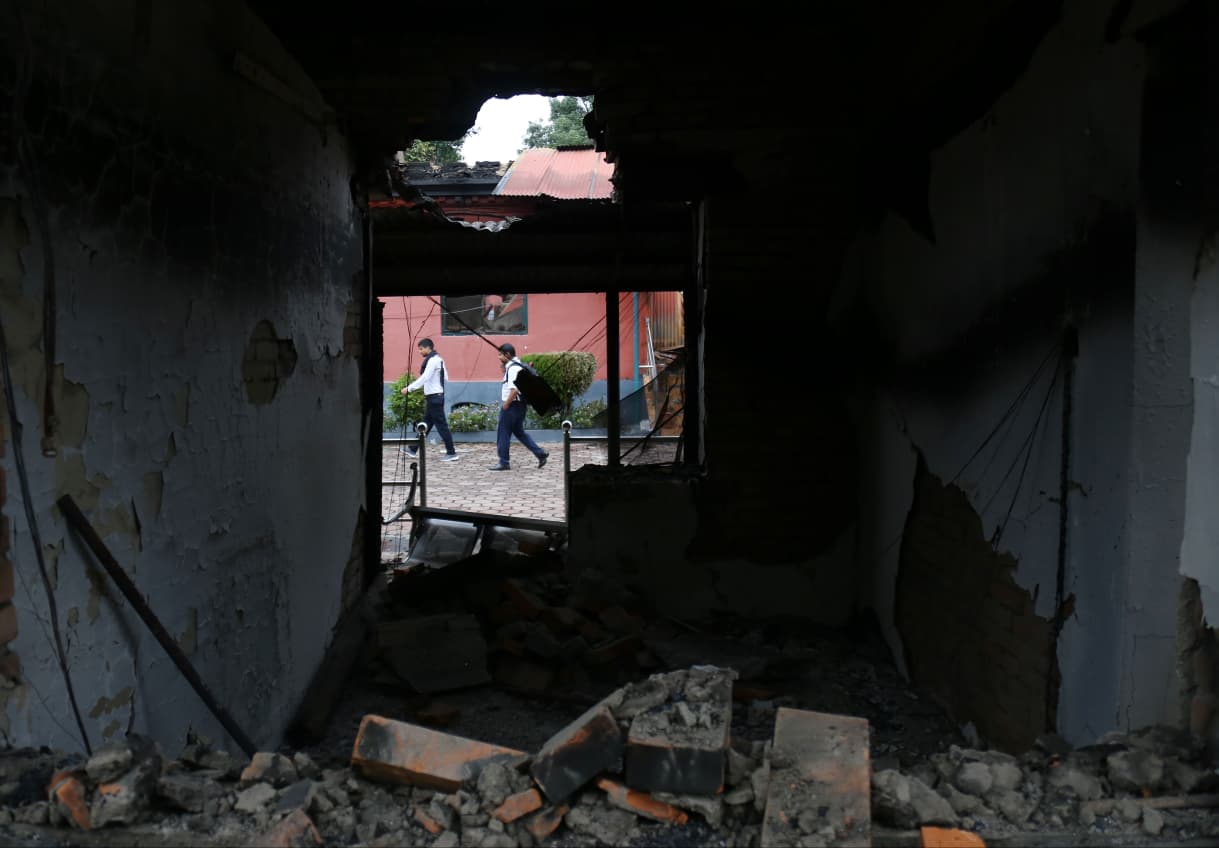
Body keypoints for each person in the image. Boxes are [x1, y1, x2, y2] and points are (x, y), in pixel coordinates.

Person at [488, 343, 549, 471]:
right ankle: (540, 453)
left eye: (500, 355)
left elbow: (514, 390)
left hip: (512, 406)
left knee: (503, 433)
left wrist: (506, 404)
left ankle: (504, 462)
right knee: (520, 433)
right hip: (520, 405)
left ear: (507, 354)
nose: (498, 357)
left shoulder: (512, 368)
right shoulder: (517, 365)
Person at [400, 338, 460, 462]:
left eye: (421, 349)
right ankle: (413, 449)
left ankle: (452, 453)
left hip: (434, 398)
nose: (420, 351)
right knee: (426, 424)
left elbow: (425, 377)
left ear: (428, 348)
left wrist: (409, 388)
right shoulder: (439, 359)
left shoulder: (432, 361)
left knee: (442, 426)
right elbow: (446, 377)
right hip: (435, 397)